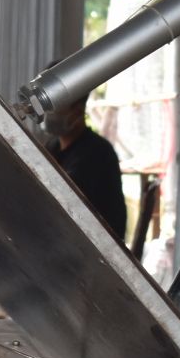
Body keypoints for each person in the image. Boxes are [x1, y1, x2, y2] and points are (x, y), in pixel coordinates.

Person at [42, 92, 128, 245]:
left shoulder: (97, 153)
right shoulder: (52, 147)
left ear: (77, 110)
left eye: (56, 106)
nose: (50, 112)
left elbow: (64, 201)